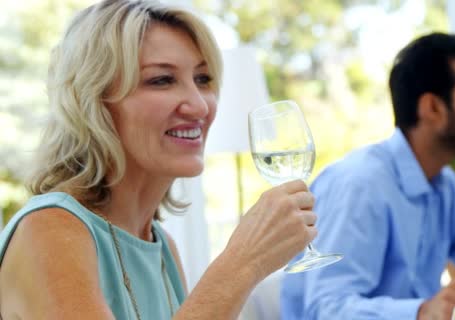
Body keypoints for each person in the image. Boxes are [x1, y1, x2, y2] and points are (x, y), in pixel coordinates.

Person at [0, 1, 318, 319]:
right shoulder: (48, 230)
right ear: (93, 102)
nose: (199, 105)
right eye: (162, 80)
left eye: (203, 79)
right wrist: (244, 261)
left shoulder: (161, 245)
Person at [281, 32, 455, 320]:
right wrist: (421, 312)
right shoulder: (361, 183)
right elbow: (326, 310)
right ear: (432, 107)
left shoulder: (445, 186)